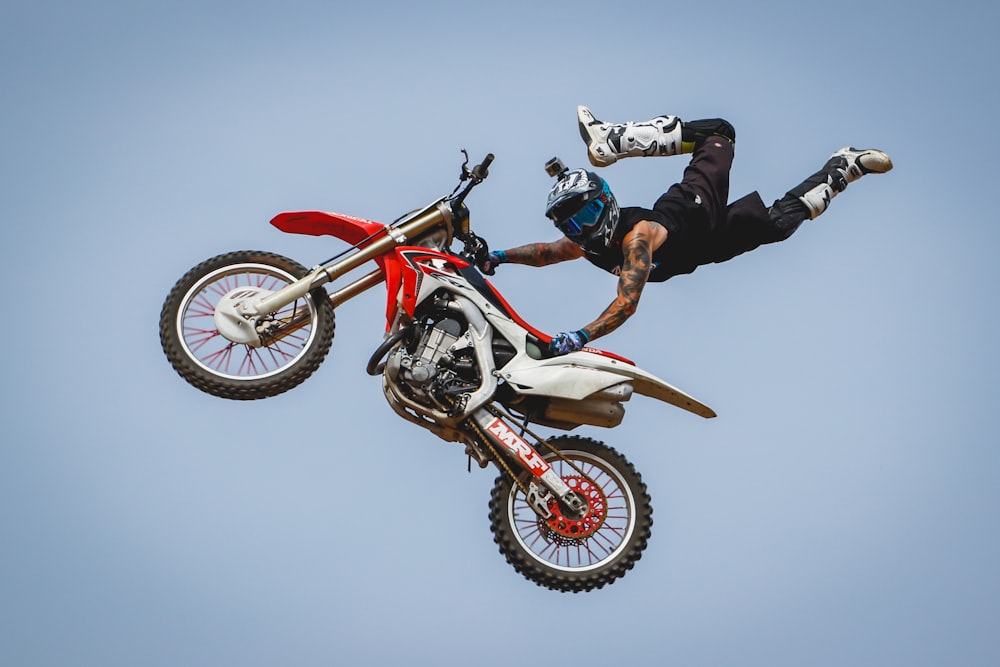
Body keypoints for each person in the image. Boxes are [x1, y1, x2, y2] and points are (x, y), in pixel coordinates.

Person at [478, 105, 893, 355]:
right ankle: (844, 166)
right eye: (572, 224)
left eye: (585, 218)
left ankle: (615, 139)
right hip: (706, 247)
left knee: (720, 133)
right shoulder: (589, 242)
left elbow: (626, 304)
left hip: (693, 210)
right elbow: (546, 252)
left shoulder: (636, 240)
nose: (581, 231)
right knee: (780, 225)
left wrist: (580, 336)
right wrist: (495, 257)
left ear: (604, 205)